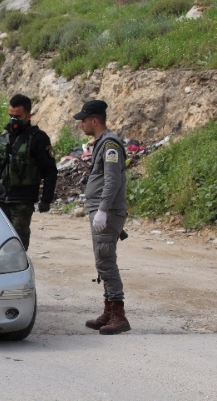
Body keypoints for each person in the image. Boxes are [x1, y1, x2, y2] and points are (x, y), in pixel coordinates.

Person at [74, 99, 130, 335]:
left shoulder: (110, 145)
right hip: (100, 210)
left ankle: (119, 315)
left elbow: (112, 180)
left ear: (94, 120)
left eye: (84, 120)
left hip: (107, 211)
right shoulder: (101, 143)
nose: (81, 124)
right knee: (102, 260)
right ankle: (109, 310)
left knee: (106, 261)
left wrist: (103, 210)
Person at [0, 94, 58, 251]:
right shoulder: (4, 136)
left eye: (17, 116)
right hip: (0, 199)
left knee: (17, 243)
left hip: (23, 201)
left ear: (28, 115)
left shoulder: (38, 138)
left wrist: (46, 199)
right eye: (11, 115)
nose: (13, 120)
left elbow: (50, 170)